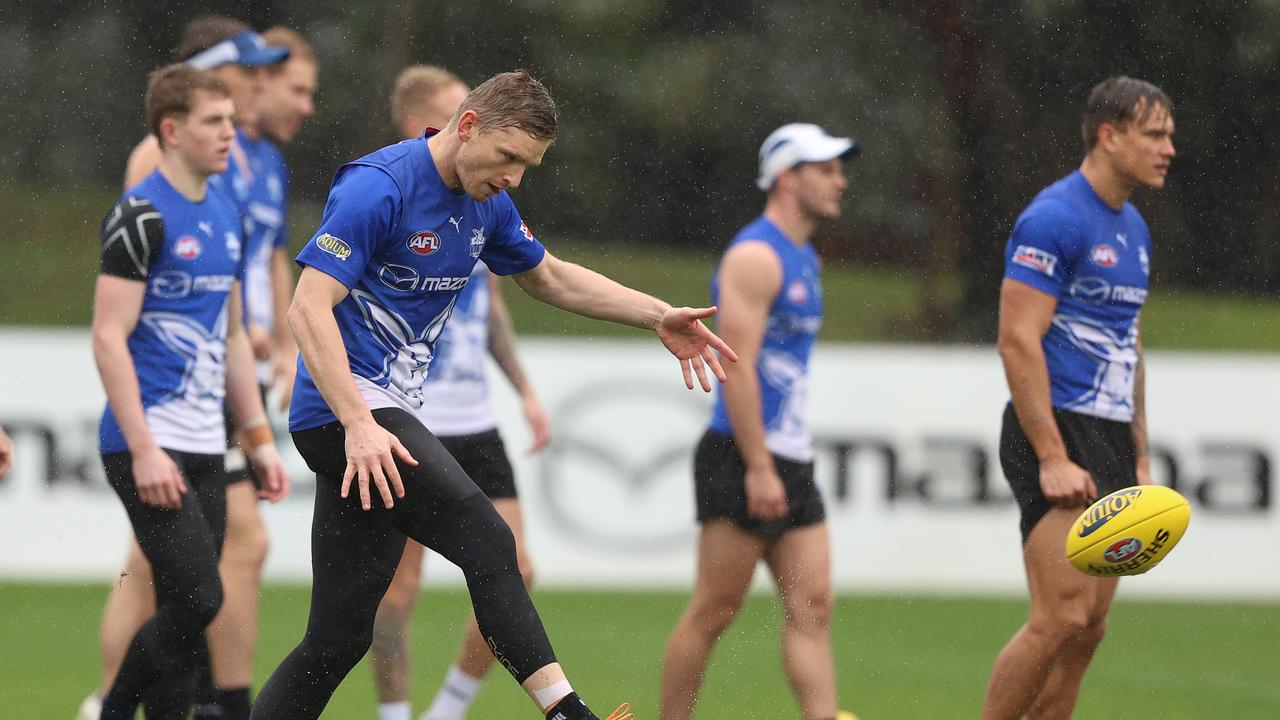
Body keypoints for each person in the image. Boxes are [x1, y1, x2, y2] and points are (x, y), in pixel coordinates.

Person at [251, 69, 732, 720]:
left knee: (337, 638)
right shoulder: (380, 186)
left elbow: (551, 278)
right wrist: (359, 422)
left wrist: (656, 314)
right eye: (508, 158)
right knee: (489, 539)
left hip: (376, 420)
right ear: (467, 125)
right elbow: (307, 307)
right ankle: (569, 714)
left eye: (527, 167)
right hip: (347, 414)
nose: (513, 178)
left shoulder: (489, 205)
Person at [79, 18, 295, 720]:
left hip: (209, 440)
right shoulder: (140, 214)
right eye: (214, 121)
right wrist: (143, 448)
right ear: (172, 132)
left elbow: (233, 334)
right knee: (201, 597)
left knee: (186, 609)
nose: (231, 132)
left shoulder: (228, 210)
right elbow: (109, 337)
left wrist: (257, 438)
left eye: (231, 120)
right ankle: (111, 710)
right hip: (150, 442)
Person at [982, 76, 1174, 720]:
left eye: (1169, 134)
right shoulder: (1055, 218)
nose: (1169, 147)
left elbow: (1130, 348)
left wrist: (1139, 452)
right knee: (1059, 615)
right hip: (1057, 429)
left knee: (1088, 628)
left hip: (1112, 435)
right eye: (1155, 133)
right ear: (1108, 135)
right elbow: (1016, 339)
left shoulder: (1135, 229)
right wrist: (1052, 455)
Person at [370, 65, 552, 720]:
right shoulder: (391, 190)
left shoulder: (484, 197)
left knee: (517, 571)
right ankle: (395, 715)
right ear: (426, 116)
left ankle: (447, 709)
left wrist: (525, 388)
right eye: (457, 108)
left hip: (474, 419)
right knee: (396, 587)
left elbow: (499, 309)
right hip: (409, 415)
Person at [659, 123, 858, 720]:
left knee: (814, 605)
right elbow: (735, 368)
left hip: (787, 456)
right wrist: (760, 466)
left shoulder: (804, 256)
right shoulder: (756, 255)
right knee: (715, 609)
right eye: (825, 169)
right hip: (743, 455)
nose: (839, 180)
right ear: (787, 178)